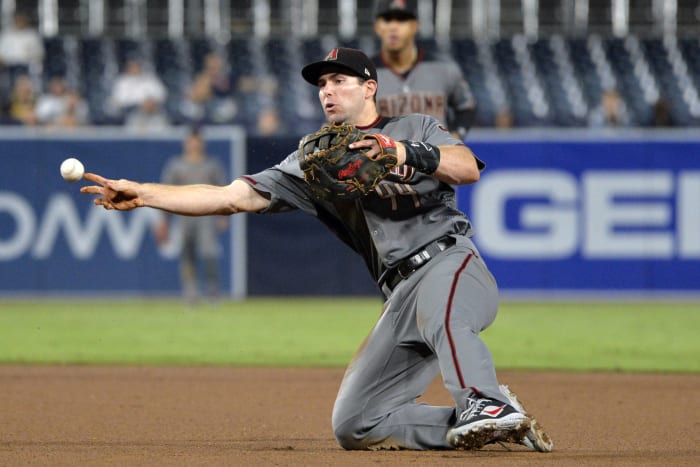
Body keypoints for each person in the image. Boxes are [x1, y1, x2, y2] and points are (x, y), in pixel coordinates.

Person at [80, 47, 552, 452]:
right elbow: (230, 197)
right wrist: (145, 194)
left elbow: (466, 167)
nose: (327, 90)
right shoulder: (313, 160)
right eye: (321, 84)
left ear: (370, 87)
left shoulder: (416, 124)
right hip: (398, 295)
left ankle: (483, 398)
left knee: (444, 316)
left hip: (450, 263)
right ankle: (492, 420)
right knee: (356, 423)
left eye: (339, 80)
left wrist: (398, 150)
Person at [371, 0, 476, 139]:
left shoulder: (444, 68)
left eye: (402, 19)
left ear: (415, 26)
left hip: (435, 158)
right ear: (377, 27)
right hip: (385, 158)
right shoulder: (364, 72)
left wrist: (455, 137)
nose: (393, 27)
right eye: (387, 19)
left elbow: (466, 107)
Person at [154, 127, 228, 305]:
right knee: (187, 255)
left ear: (202, 143)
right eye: (191, 141)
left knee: (209, 253)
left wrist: (225, 215)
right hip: (184, 215)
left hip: (206, 214)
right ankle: (191, 293)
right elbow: (165, 193)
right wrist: (163, 220)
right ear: (186, 143)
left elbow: (224, 190)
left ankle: (212, 291)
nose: (194, 145)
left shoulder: (211, 165)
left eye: (197, 141)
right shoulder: (176, 165)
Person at [182, 52, 237, 124]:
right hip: (201, 112)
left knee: (228, 108)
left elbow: (236, 86)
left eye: (216, 66)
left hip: (219, 112)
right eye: (212, 66)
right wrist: (209, 89)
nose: (215, 68)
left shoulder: (223, 79)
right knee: (191, 110)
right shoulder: (202, 78)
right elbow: (196, 97)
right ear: (206, 66)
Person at [0, 12, 44, 92]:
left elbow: (40, 53)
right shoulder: (6, 35)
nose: (20, 22)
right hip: (10, 66)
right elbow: (1, 55)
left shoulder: (32, 35)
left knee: (34, 71)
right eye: (18, 20)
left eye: (22, 20)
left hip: (27, 65)